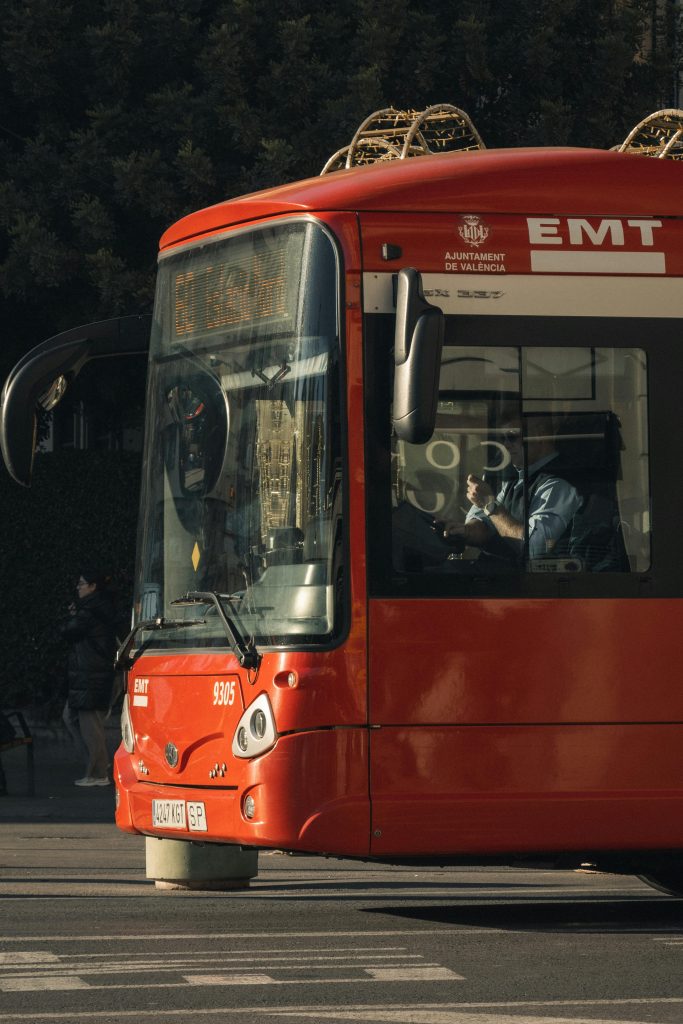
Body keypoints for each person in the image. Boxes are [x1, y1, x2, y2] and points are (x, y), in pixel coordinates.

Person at [445, 415, 581, 564]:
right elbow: (487, 523)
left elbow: (534, 548)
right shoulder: (512, 476)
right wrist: (463, 532)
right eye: (503, 438)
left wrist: (489, 504)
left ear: (539, 436)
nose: (506, 445)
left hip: (527, 583)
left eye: (512, 437)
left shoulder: (559, 484)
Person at [60, 568, 117, 787]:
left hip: (91, 675)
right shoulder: (98, 607)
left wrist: (73, 616)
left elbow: (67, 631)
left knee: (89, 724)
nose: (78, 587)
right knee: (73, 717)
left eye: (82, 584)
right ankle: (96, 764)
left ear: (93, 586)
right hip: (90, 674)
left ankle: (98, 771)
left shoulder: (89, 610)